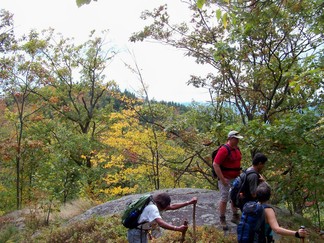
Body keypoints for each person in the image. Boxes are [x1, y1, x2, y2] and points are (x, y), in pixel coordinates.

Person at [127, 192, 198, 243]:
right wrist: (177, 228)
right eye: (166, 206)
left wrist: (189, 202)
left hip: (141, 232)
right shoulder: (152, 208)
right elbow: (160, 223)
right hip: (136, 233)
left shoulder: (155, 204)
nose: (167, 207)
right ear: (162, 204)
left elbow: (172, 206)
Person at [213, 130, 243, 226]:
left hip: (235, 178)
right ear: (230, 139)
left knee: (235, 197)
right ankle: (222, 219)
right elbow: (215, 164)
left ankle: (235, 216)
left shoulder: (237, 149)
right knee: (224, 198)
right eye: (236, 139)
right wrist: (222, 179)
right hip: (225, 178)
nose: (238, 141)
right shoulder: (224, 149)